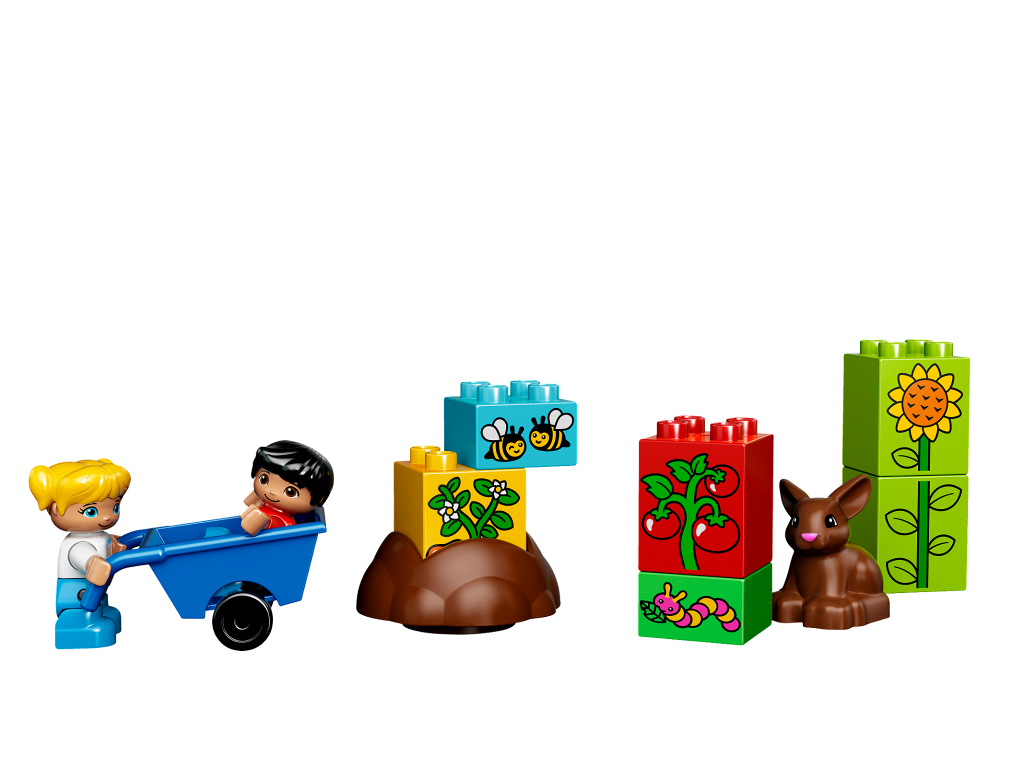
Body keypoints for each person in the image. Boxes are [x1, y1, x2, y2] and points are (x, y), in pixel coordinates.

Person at [29, 459, 131, 649]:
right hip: (77, 597)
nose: (107, 516)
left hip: (95, 593)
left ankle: (100, 612)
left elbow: (107, 544)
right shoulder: (76, 544)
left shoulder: (99, 536)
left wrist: (117, 545)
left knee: (104, 608)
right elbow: (82, 556)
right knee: (86, 612)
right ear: (55, 510)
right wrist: (92, 563)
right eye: (91, 511)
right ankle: (82, 626)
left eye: (115, 507)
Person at [240, 441, 333, 535]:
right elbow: (248, 504)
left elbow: (262, 525)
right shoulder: (263, 500)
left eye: (290, 492)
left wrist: (262, 522)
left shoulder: (284, 522)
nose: (272, 492)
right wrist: (257, 501)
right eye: (264, 479)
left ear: (319, 499)